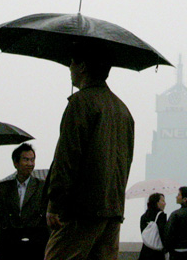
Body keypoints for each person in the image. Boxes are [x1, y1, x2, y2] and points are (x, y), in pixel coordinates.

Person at [43, 55, 135, 260]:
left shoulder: (80, 103)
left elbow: (66, 159)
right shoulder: (122, 110)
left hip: (81, 211)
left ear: (82, 66)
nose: (69, 67)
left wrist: (55, 204)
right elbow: (125, 162)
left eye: (72, 62)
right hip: (112, 210)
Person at [0, 143, 46, 260]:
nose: (30, 164)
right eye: (26, 160)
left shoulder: (42, 187)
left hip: (35, 243)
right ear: (15, 163)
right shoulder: (3, 188)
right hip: (10, 243)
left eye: (32, 160)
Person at [139, 192, 167, 260]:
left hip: (145, 251)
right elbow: (163, 234)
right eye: (162, 201)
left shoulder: (143, 216)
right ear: (157, 203)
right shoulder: (161, 216)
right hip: (157, 253)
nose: (165, 203)